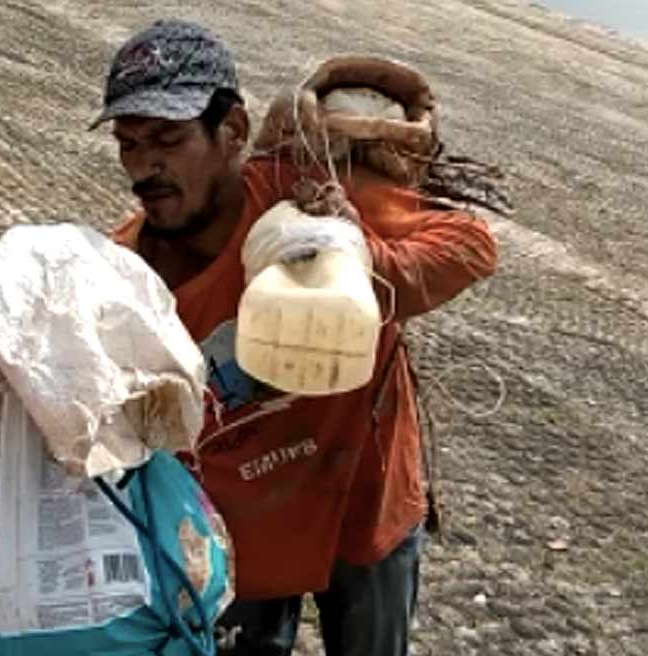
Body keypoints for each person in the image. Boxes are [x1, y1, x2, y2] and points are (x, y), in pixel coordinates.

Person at [92, 19, 498, 656]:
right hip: (239, 532)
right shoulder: (124, 273)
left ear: (232, 132)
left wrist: (355, 253)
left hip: (362, 506)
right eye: (129, 142)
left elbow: (470, 244)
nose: (145, 165)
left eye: (168, 139)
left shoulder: (302, 196)